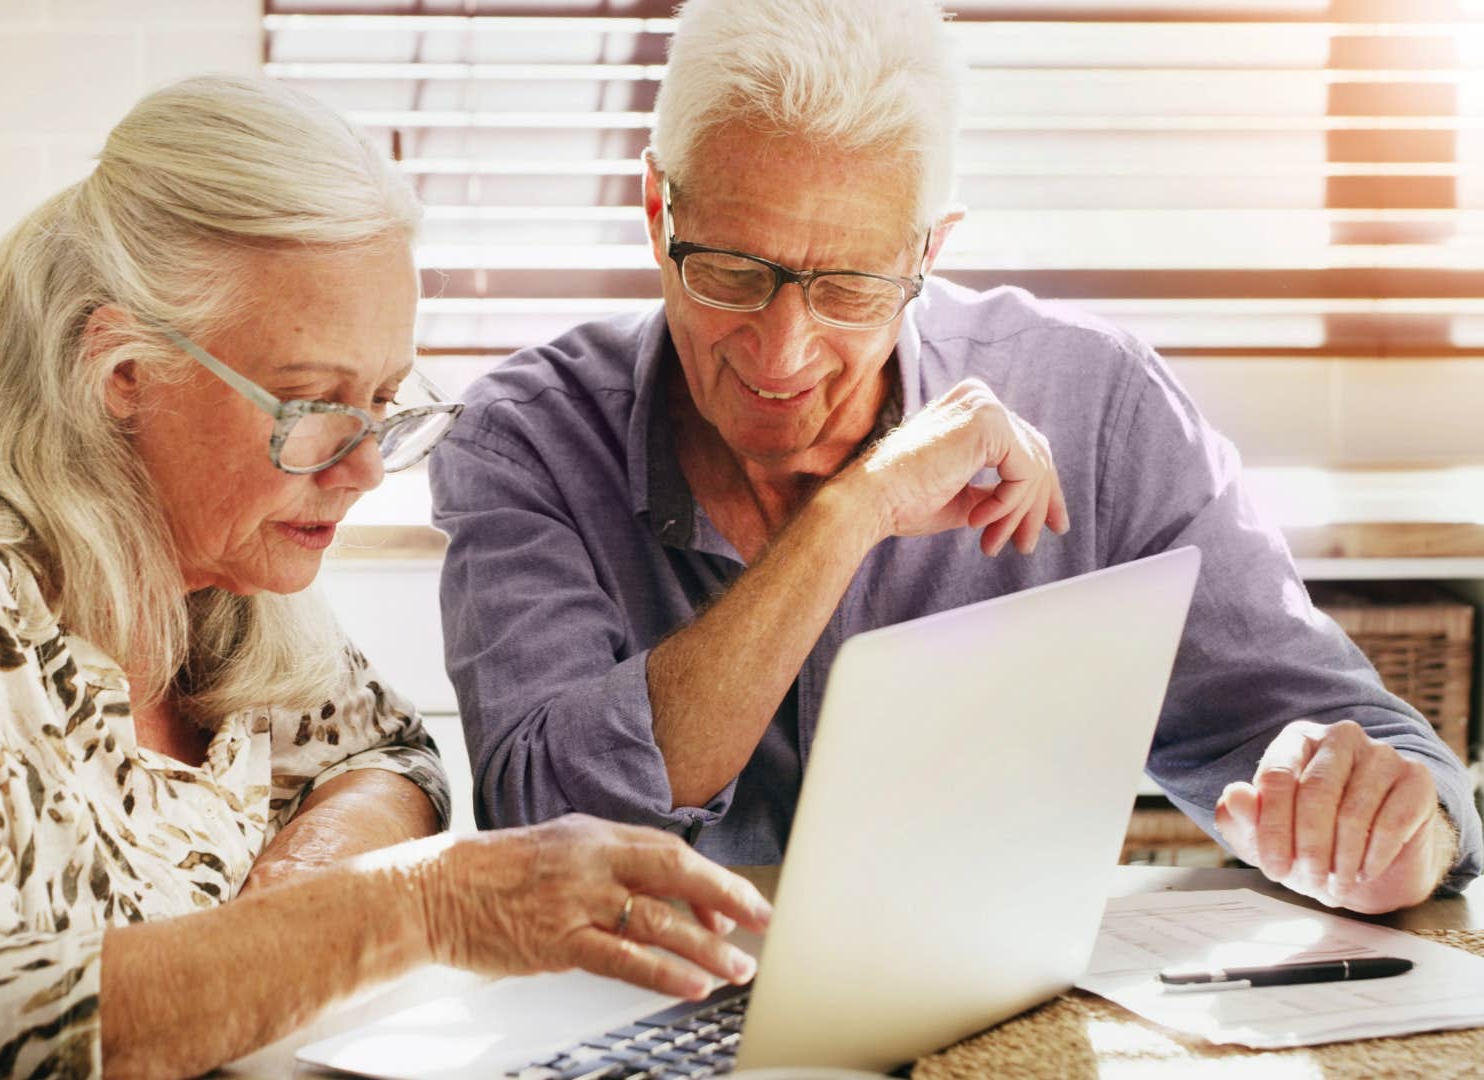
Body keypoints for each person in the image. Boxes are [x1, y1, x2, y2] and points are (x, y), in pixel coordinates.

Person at [0, 76, 770, 1078]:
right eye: (309, 405)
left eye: (384, 405)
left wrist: (298, 887)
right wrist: (422, 911)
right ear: (122, 365)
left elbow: (385, 758)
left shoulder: (222, 557)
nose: (362, 470)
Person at [428, 0, 1482, 917]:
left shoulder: (1098, 405)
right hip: (628, 1021)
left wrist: (1390, 834)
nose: (783, 352)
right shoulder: (525, 437)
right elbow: (544, 823)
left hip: (998, 1032)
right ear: (660, 212)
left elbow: (1352, 740)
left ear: (928, 253)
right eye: (736, 272)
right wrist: (853, 513)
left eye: (848, 288)